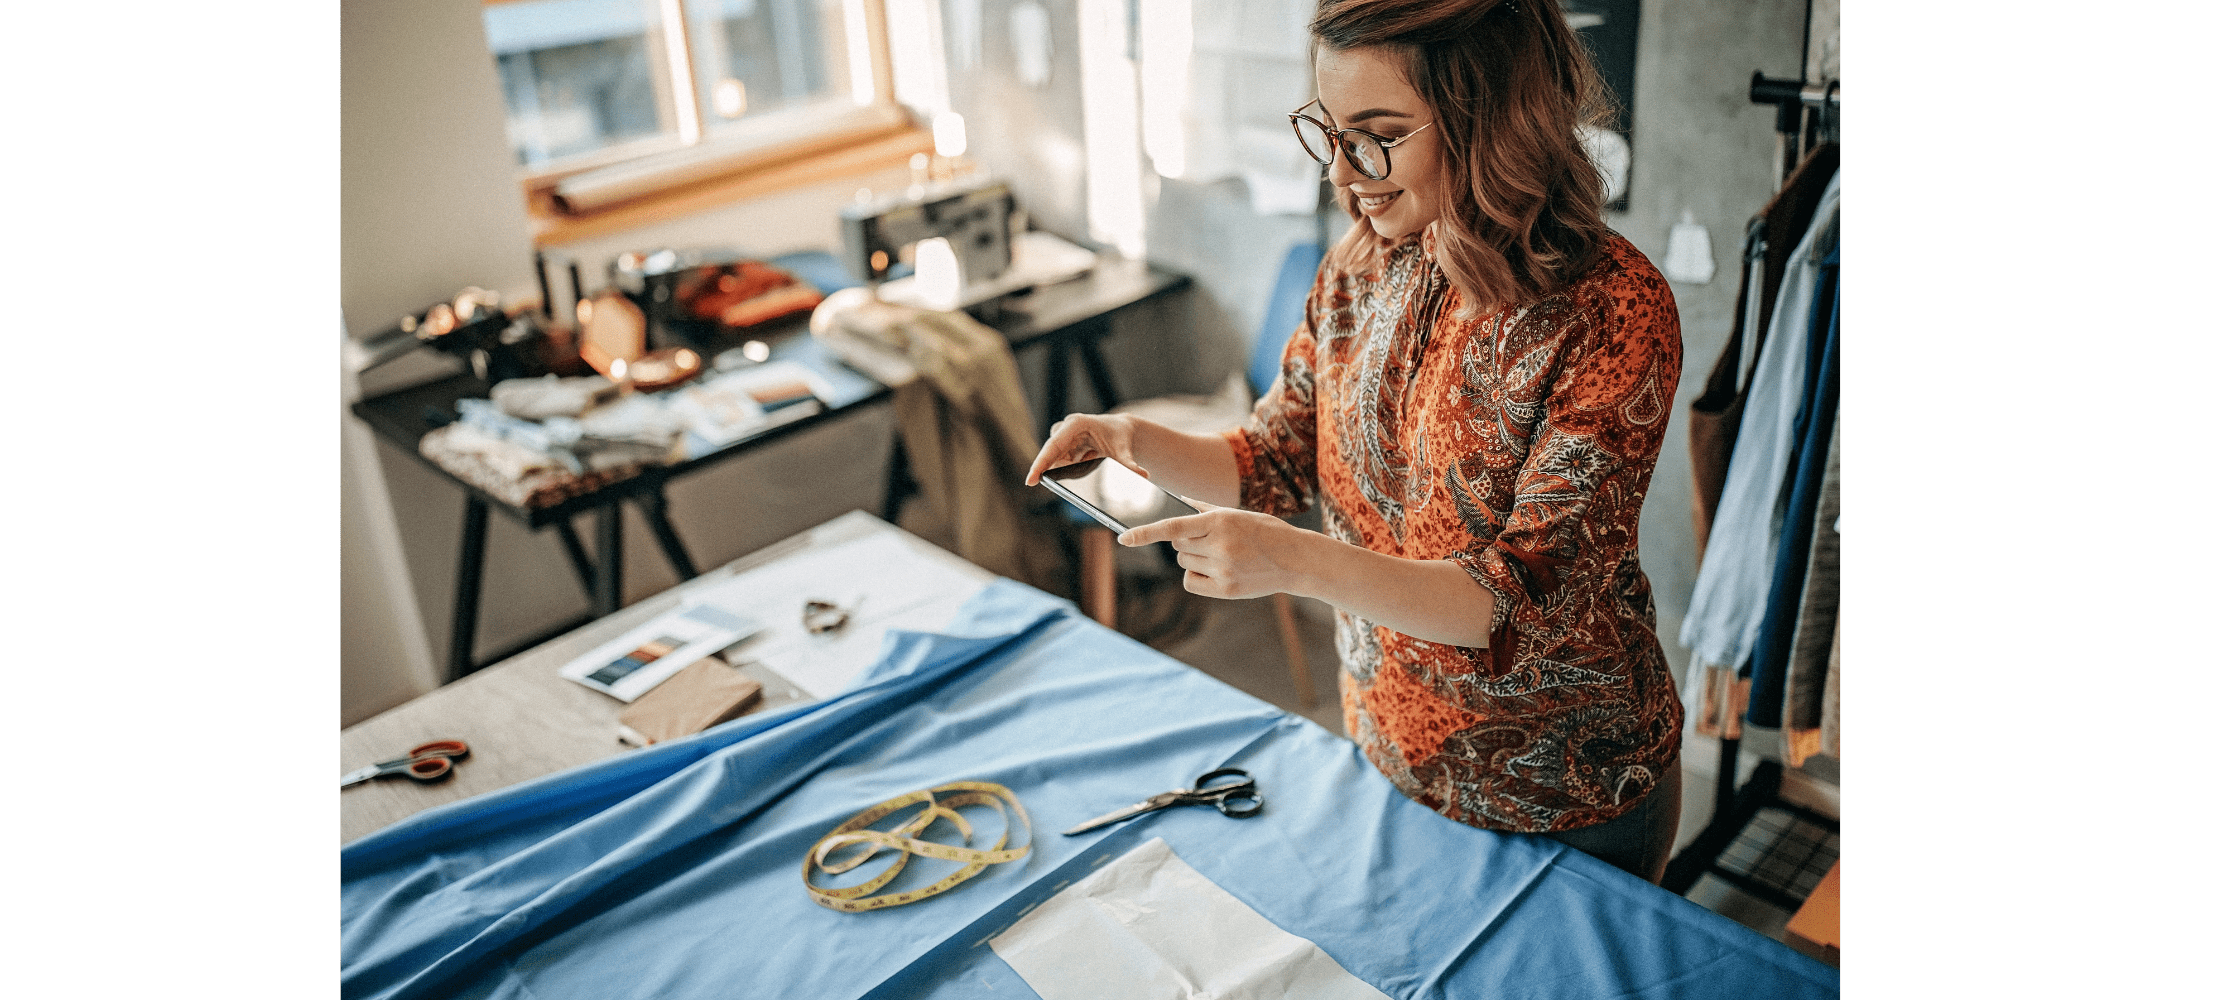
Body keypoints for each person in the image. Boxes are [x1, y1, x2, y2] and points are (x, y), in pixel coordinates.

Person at [1025, 0, 1686, 882]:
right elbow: (1273, 457)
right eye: (1329, 132)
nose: (1343, 173)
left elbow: (1516, 603)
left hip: (1568, 795)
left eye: (1376, 135)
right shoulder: (1360, 265)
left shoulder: (1613, 313)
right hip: (1390, 752)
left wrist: (1294, 561)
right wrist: (1136, 440)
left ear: (1489, 116)